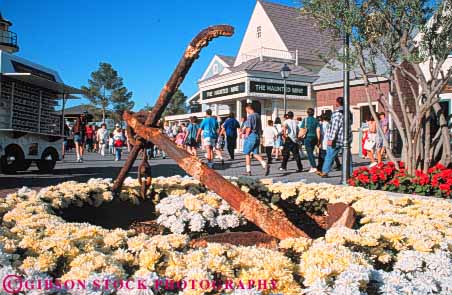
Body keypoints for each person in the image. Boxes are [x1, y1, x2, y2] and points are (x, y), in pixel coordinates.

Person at [319, 97, 353, 178]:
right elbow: (350, 123)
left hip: (336, 139)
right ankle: (350, 173)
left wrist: (331, 138)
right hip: (346, 138)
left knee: (330, 155)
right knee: (347, 156)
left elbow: (335, 126)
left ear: (338, 103)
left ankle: (325, 171)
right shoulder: (349, 113)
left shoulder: (337, 113)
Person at [243, 103, 269, 176]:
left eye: (246, 110)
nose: (246, 111)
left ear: (248, 108)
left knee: (247, 153)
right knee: (255, 153)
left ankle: (248, 171)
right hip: (257, 136)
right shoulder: (258, 115)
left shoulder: (250, 117)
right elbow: (260, 128)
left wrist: (246, 136)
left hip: (251, 136)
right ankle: (264, 164)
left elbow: (249, 127)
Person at [300, 108, 321, 173]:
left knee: (310, 153)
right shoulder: (316, 120)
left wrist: (299, 136)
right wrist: (318, 140)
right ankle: (312, 166)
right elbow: (318, 130)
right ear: (313, 113)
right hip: (314, 137)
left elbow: (302, 129)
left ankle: (314, 167)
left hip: (308, 138)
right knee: (311, 152)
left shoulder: (305, 120)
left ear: (307, 113)